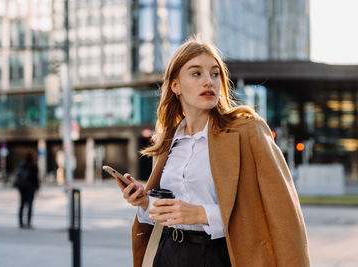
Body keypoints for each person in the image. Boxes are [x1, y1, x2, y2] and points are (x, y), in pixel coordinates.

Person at [117, 38, 310, 267]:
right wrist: (144, 203)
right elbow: (169, 213)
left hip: (219, 256)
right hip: (167, 254)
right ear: (175, 86)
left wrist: (202, 214)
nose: (208, 81)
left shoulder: (247, 130)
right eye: (196, 73)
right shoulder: (169, 140)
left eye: (215, 73)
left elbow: (279, 211)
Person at [15, 152, 39, 229]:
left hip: (22, 188)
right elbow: (36, 179)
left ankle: (21, 223)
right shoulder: (34, 166)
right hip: (30, 188)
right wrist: (37, 188)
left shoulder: (22, 165)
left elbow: (18, 175)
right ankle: (28, 223)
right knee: (30, 205)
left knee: (22, 205)